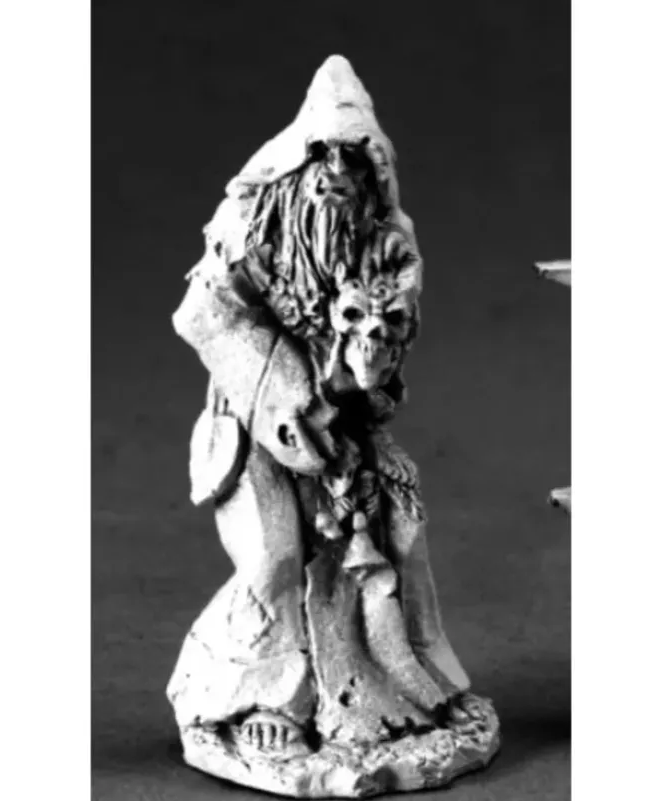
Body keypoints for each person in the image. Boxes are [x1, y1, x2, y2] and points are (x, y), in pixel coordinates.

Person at [167, 56, 471, 754]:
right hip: (252, 416)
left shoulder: (385, 243)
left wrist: (368, 369)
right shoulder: (249, 223)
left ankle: (399, 691)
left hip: (341, 426)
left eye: (352, 160)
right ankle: (255, 697)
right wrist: (282, 389)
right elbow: (201, 315)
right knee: (275, 554)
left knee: (397, 531)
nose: (335, 172)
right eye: (322, 156)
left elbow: (388, 345)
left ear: (373, 172)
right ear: (298, 161)